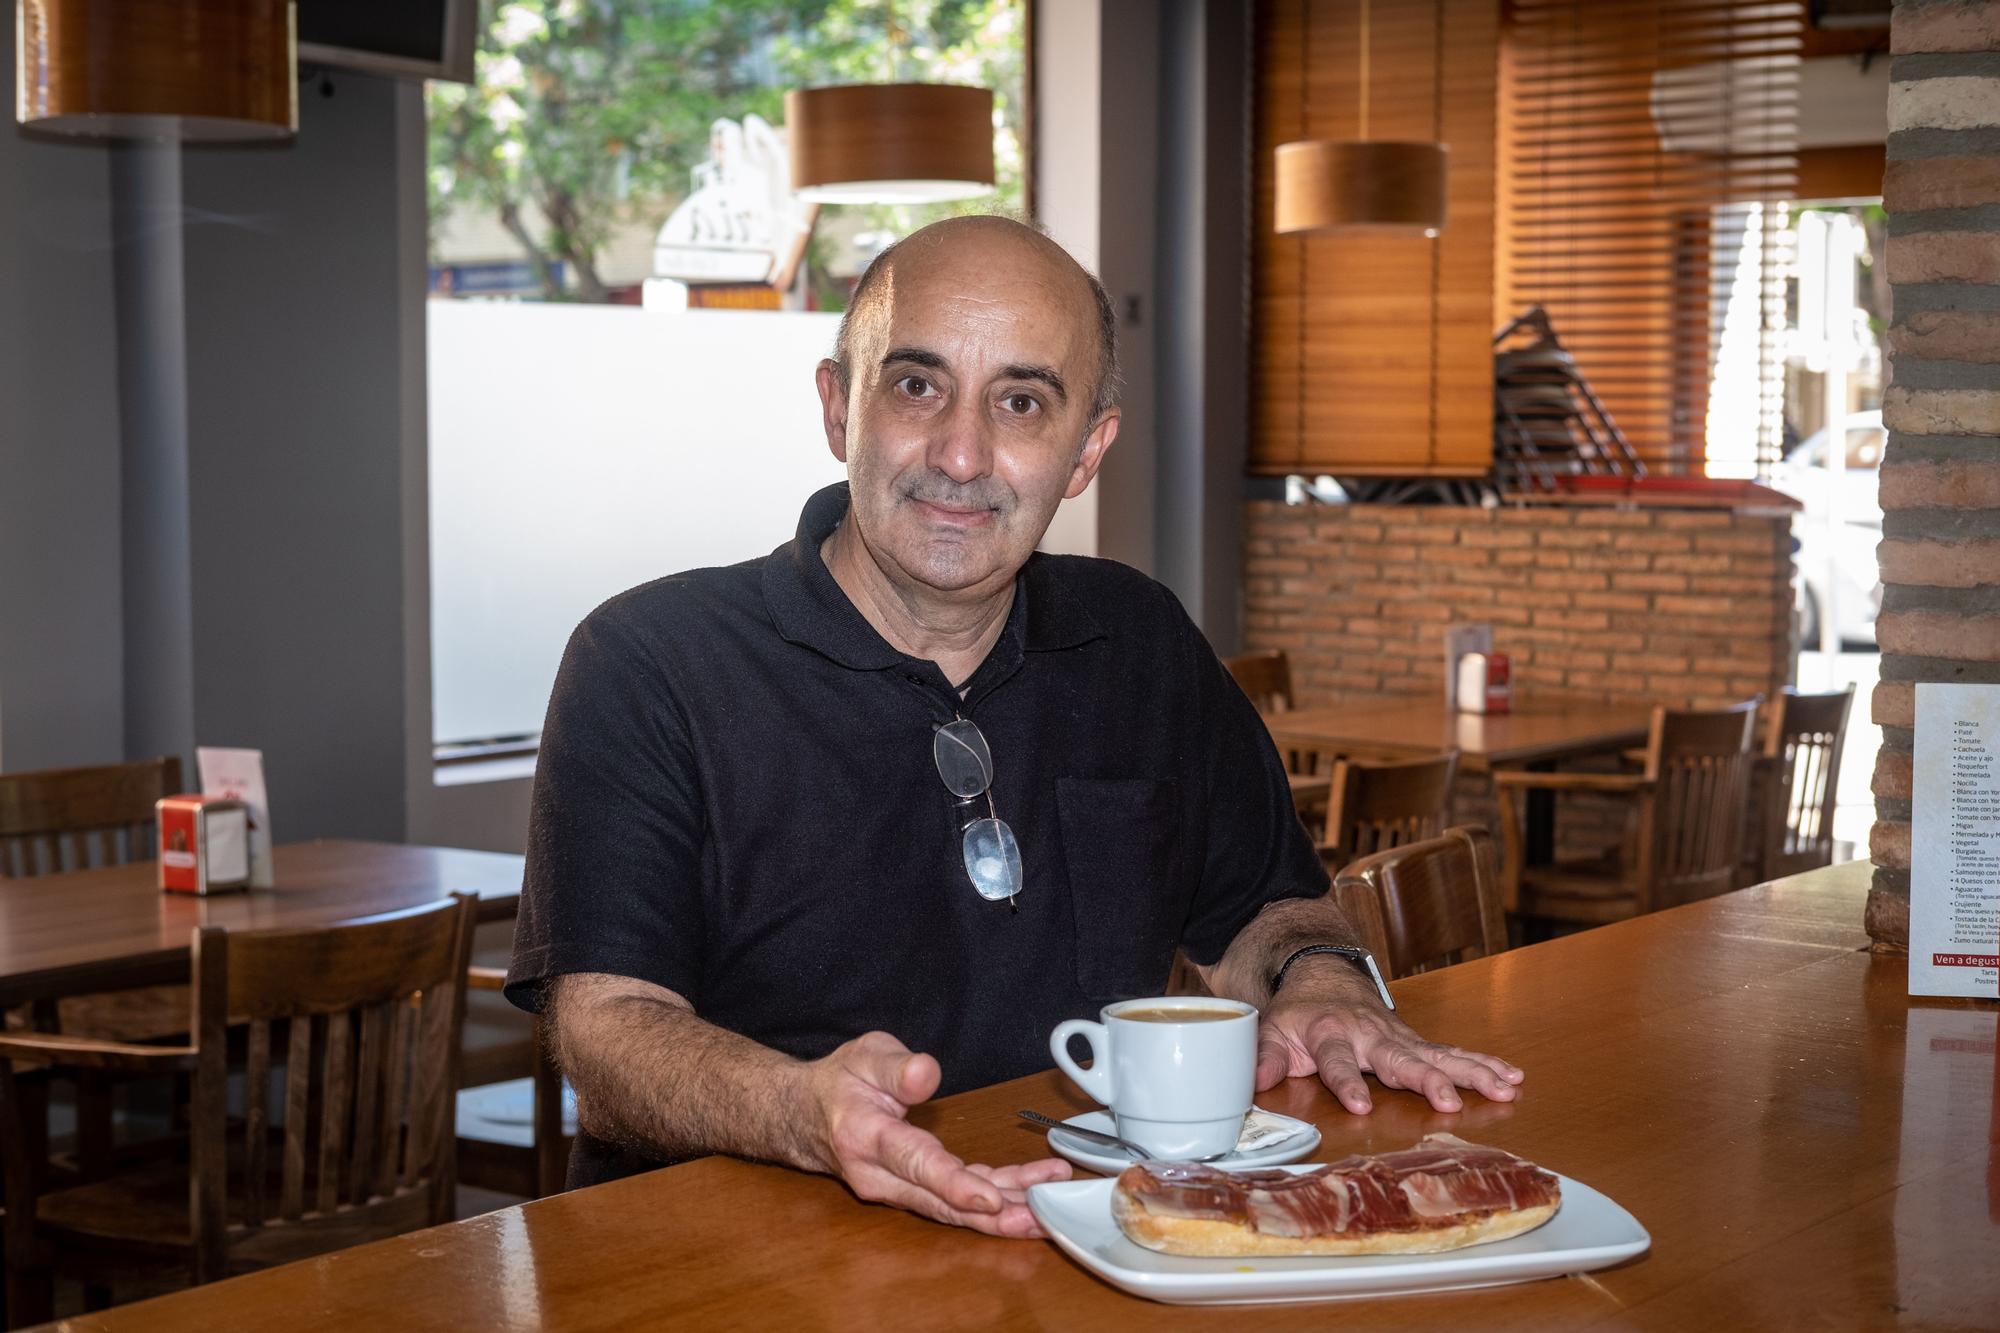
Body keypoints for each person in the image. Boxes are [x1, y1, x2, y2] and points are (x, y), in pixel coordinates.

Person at [506, 215, 1523, 1238]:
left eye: (1021, 401)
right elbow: (606, 1033)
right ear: (834, 407)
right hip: (721, 1260)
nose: (959, 451)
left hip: (1082, 1244)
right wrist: (797, 1112)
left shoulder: (1142, 642)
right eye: (915, 385)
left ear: (1085, 450)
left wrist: (1327, 984)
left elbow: (1269, 912)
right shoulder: (648, 660)